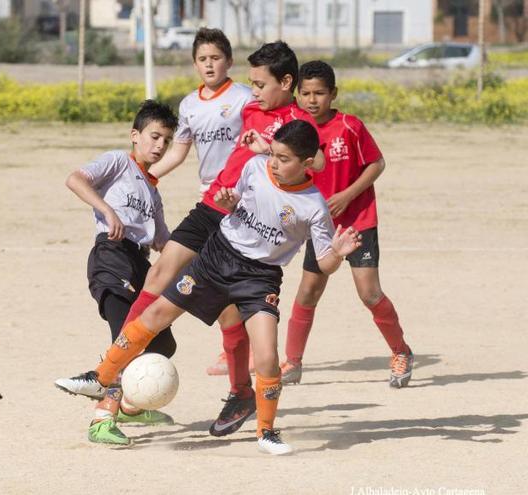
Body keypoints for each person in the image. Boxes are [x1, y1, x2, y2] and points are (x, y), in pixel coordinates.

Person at [56, 120, 361, 455]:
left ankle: (266, 432)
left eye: (283, 159)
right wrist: (230, 204)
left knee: (268, 357)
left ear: (306, 165)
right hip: (217, 258)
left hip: (259, 278)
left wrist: (340, 254)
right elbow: (239, 209)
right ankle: (100, 377)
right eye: (273, 154)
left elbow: (324, 263)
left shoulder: (314, 205)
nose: (274, 162)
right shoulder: (255, 166)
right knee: (156, 313)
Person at [139, 41, 321, 437]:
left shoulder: (297, 122)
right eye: (251, 83)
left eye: (260, 83)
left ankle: (240, 392)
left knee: (229, 313)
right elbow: (203, 131)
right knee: (159, 275)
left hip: (242, 219)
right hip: (213, 204)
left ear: (285, 82)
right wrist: (148, 170)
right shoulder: (249, 107)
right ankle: (113, 370)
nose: (253, 90)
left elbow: (317, 161)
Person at [281, 60, 414, 388]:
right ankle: (293, 362)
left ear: (333, 94)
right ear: (298, 94)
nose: (313, 100)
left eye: (320, 93)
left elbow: (377, 163)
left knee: (369, 293)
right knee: (308, 290)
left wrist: (347, 194)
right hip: (321, 226)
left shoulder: (350, 126)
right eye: (306, 93)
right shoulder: (298, 131)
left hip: (358, 222)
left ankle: (401, 351)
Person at [63, 99, 179, 445]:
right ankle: (101, 420)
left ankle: (131, 404)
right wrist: (107, 211)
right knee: (125, 340)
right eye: (154, 137)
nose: (159, 146)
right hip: (111, 256)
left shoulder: (152, 188)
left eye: (166, 141)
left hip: (140, 264)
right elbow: (75, 179)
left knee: (163, 342)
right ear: (135, 135)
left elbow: (161, 239)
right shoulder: (117, 162)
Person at [146, 27, 253, 377]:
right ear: (194, 64)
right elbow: (178, 151)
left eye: (215, 58)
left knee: (224, 279)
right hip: (208, 200)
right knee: (175, 271)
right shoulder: (189, 105)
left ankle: (236, 354)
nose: (209, 65)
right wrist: (146, 175)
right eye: (202, 59)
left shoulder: (243, 98)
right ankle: (131, 341)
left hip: (241, 200)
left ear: (229, 61)